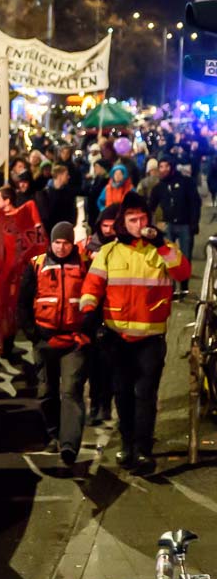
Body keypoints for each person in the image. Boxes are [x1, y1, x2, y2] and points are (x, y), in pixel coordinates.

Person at [80, 193, 190, 474]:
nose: (139, 223)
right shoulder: (109, 252)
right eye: (132, 219)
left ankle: (143, 450)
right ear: (122, 223)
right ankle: (127, 444)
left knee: (146, 394)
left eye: (142, 218)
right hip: (117, 338)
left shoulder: (160, 248)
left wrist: (161, 244)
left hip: (151, 338)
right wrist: (89, 314)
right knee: (123, 393)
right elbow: (92, 286)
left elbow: (182, 271)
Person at [19, 221, 91, 466]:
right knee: (46, 393)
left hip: (73, 341)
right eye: (57, 242)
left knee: (71, 391)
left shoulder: (84, 265)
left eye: (66, 242)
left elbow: (94, 300)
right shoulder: (36, 265)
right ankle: (54, 434)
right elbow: (23, 302)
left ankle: (69, 445)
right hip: (45, 340)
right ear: (50, 242)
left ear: (72, 243)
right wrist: (33, 335)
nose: (61, 247)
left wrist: (86, 332)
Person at [148, 156, 201, 295]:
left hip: (185, 225)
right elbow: (150, 206)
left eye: (166, 166)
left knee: (185, 257)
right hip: (168, 225)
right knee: (168, 258)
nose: (163, 169)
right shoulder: (159, 187)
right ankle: (170, 288)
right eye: (161, 167)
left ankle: (184, 287)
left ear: (171, 167)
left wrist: (194, 222)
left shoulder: (186, 182)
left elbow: (195, 203)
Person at [36, 165, 78, 231]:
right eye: (66, 174)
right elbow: (44, 216)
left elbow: (73, 210)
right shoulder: (45, 194)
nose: (68, 177)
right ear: (59, 176)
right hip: (51, 232)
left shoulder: (69, 192)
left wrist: (71, 225)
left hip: (65, 230)